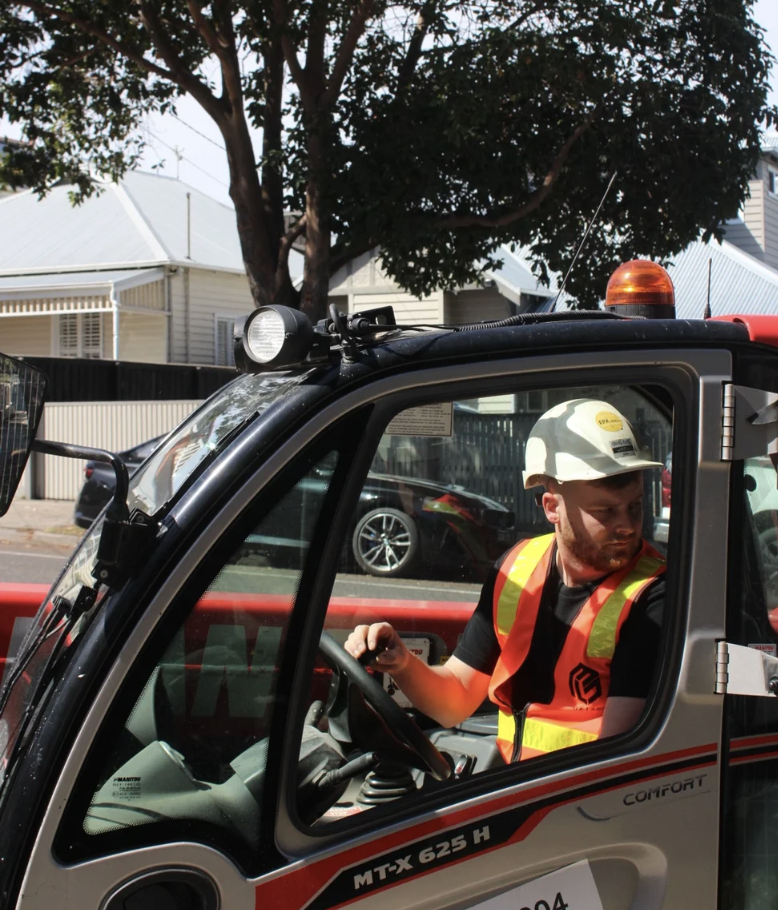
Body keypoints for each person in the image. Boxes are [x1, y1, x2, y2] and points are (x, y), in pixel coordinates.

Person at [345, 398, 666, 763]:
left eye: (635, 506)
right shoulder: (517, 568)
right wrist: (402, 664)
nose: (627, 525)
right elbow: (455, 701)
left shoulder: (654, 598)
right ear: (551, 508)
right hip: (517, 795)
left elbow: (617, 760)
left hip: (583, 806)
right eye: (605, 511)